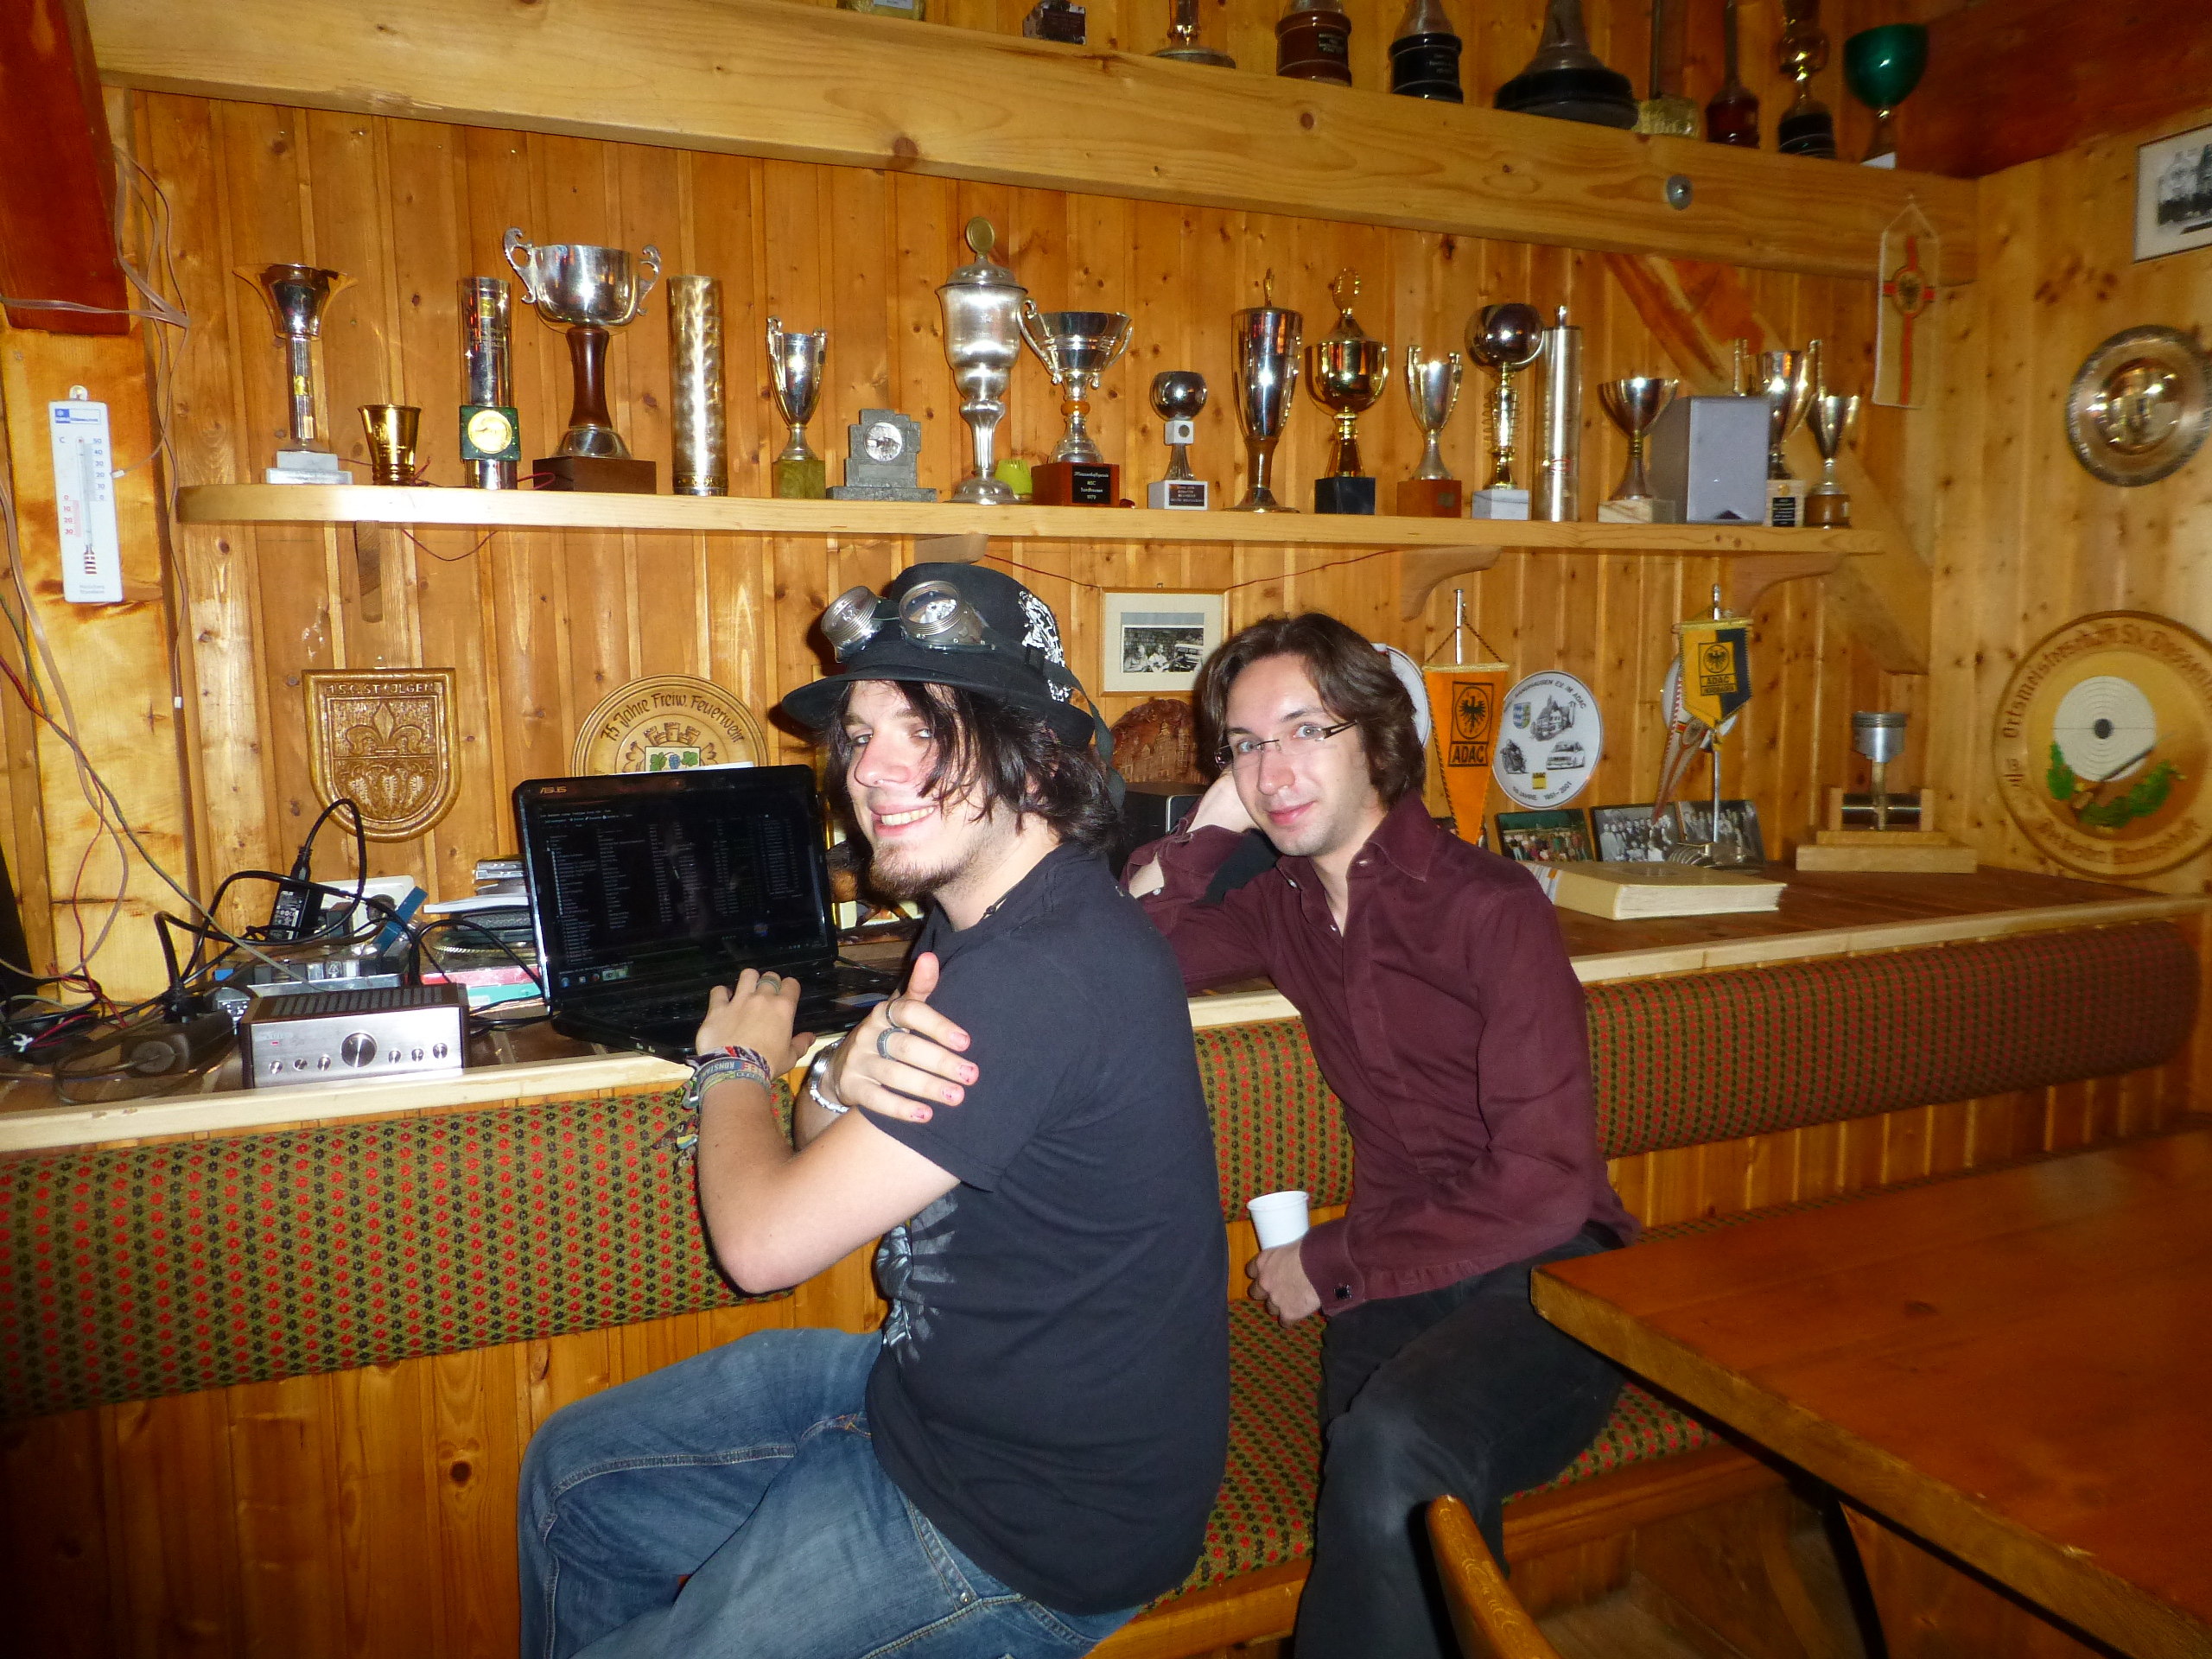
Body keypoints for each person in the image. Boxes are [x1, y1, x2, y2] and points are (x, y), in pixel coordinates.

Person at [515, 564, 1229, 1659]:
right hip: (929, 1404)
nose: (870, 772)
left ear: (1041, 759)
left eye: (924, 731)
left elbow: (762, 1247)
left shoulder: (1042, 974)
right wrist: (836, 1071)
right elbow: (826, 1146)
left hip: (1033, 1524)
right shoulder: (975, 921)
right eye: (857, 737)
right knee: (573, 1477)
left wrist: (735, 1068)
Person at [1121, 613, 1637, 1658]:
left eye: (1306, 731)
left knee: (1396, 1444)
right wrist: (1214, 819)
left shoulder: (1491, 906)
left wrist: (1326, 1259)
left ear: (1378, 738)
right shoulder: (1283, 909)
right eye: (1246, 745)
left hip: (1555, 1280)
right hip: (1402, 1274)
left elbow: (1546, 1182)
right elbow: (1128, 958)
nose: (1274, 771)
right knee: (1390, 1467)